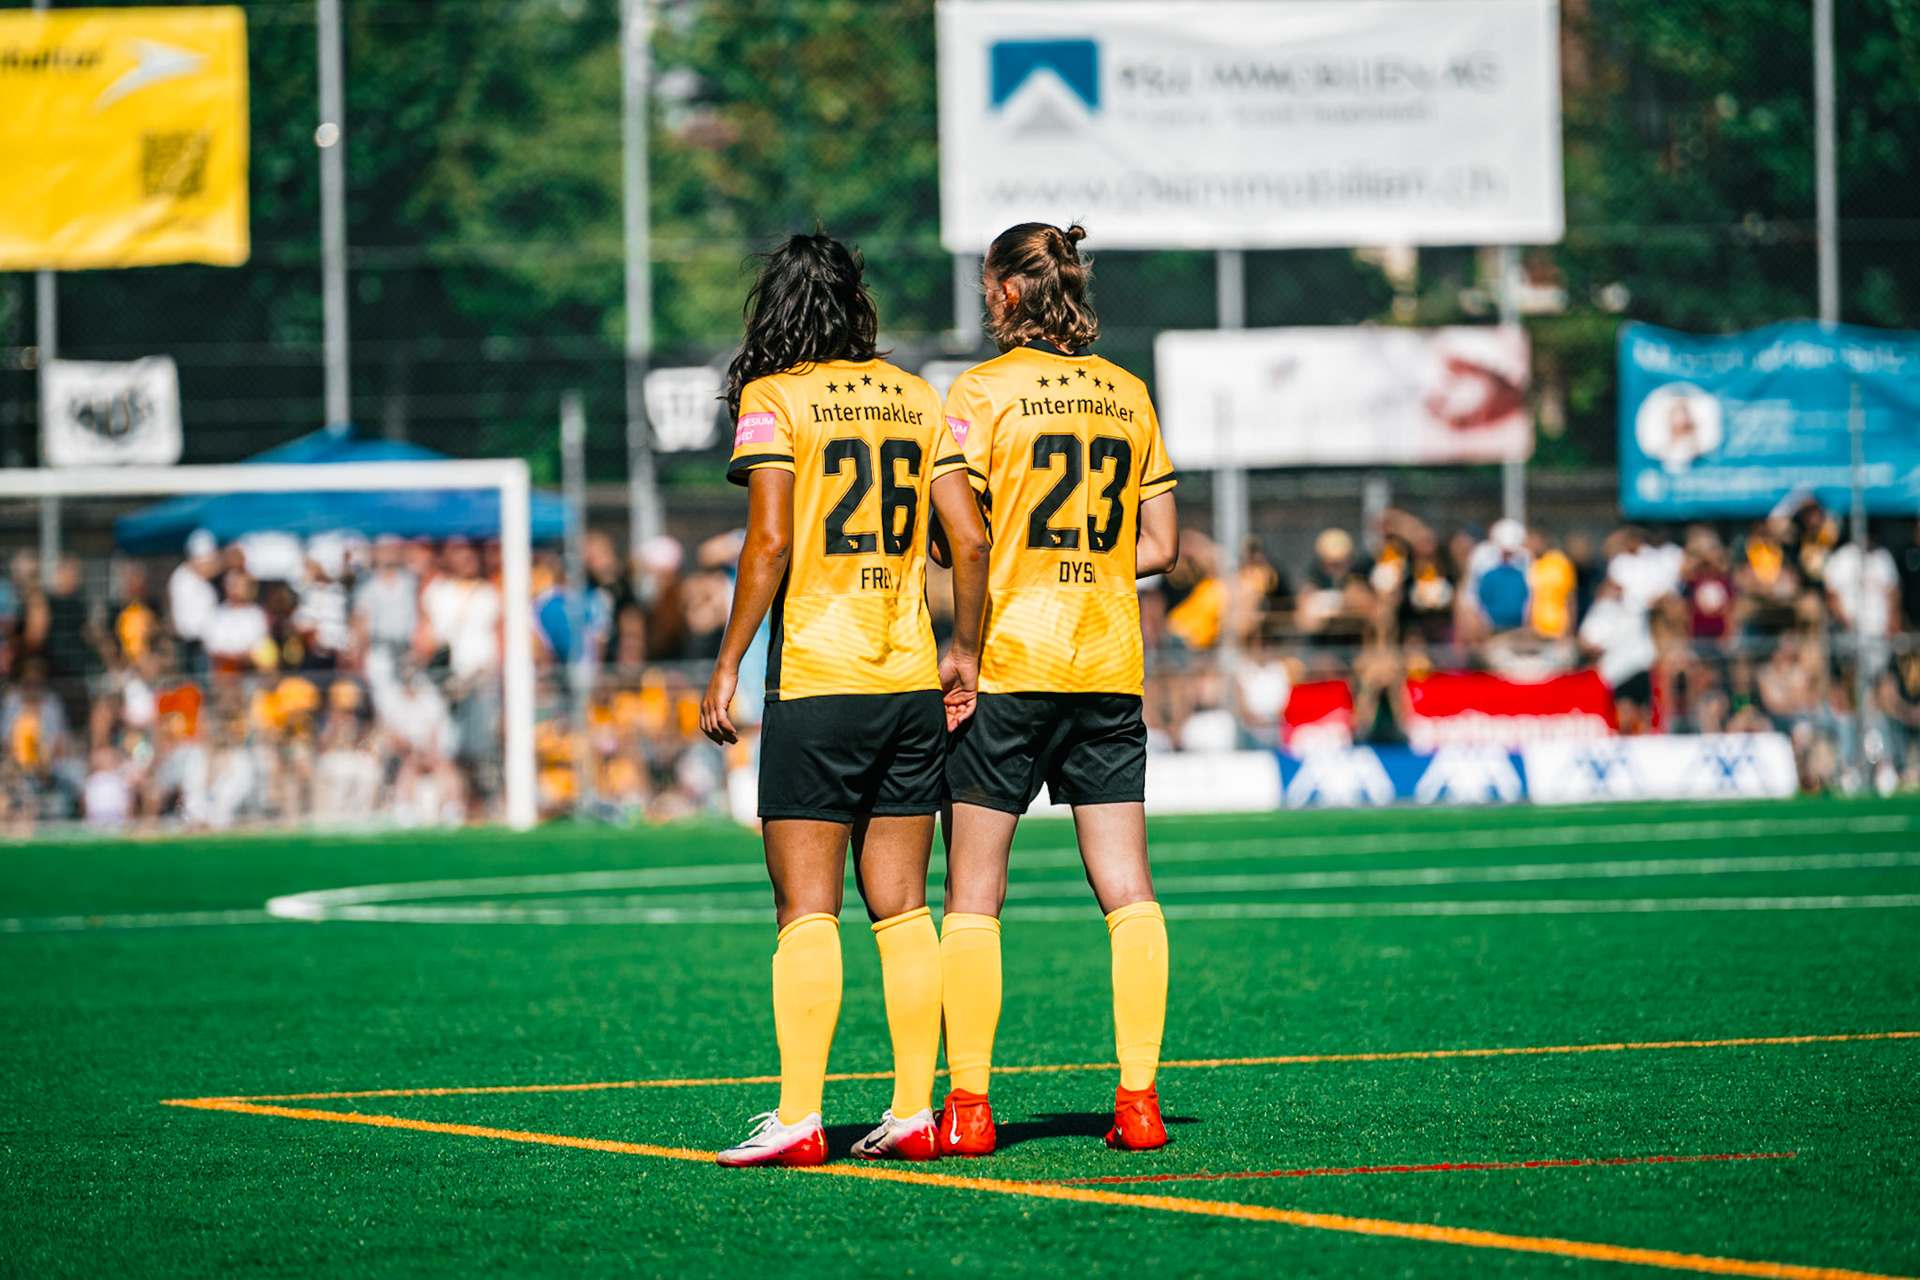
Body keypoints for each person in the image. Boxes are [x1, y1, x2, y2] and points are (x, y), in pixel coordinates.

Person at [697, 232, 989, 1167]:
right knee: (903, 909)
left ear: (776, 305)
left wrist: (726, 663)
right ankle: (913, 1112)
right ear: (855, 302)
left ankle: (799, 1118)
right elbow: (968, 539)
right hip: (907, 683)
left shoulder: (773, 397)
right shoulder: (917, 396)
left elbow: (771, 542)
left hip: (818, 683)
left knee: (806, 908)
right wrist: (964, 650)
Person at [937, 222, 1181, 1156]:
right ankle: (1140, 1102)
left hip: (1009, 665)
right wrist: (1090, 563)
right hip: (1108, 663)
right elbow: (1161, 545)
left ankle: (969, 1108)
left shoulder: (981, 391)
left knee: (974, 895)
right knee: (1128, 891)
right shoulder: (1128, 391)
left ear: (1007, 291)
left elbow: (960, 540)